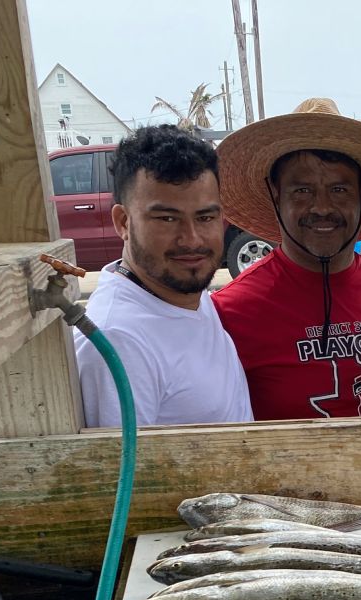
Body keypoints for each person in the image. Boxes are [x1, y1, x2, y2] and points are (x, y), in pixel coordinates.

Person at [211, 99, 361, 433]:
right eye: (302, 190)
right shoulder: (227, 313)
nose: (322, 207)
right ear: (276, 195)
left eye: (339, 189)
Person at [75, 124, 253, 427]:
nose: (192, 239)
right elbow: (125, 473)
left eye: (206, 217)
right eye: (167, 218)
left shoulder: (183, 294)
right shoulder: (120, 340)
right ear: (123, 222)